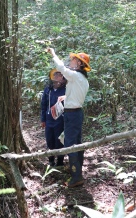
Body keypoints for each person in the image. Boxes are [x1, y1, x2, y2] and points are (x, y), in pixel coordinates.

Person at [47, 48, 91, 188]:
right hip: (76, 113)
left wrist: (53, 54)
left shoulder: (76, 76)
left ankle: (76, 177)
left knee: (70, 145)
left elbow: (61, 67)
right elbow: (77, 95)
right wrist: (65, 97)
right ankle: (76, 169)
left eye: (73, 60)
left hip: (72, 114)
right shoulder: (82, 79)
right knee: (76, 143)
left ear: (78, 63)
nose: (70, 61)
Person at [41, 69, 66, 167]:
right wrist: (43, 119)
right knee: (49, 139)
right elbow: (43, 105)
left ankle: (60, 162)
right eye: (55, 75)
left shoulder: (65, 90)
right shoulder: (48, 89)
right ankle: (51, 160)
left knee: (59, 140)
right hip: (49, 119)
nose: (57, 77)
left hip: (60, 120)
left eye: (59, 75)